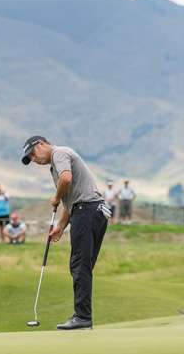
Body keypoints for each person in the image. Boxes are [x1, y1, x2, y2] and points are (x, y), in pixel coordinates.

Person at [22, 135, 110, 330]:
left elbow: (66, 179)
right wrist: (61, 226)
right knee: (83, 266)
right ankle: (83, 316)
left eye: (33, 154)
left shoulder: (58, 153)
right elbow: (71, 201)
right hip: (92, 211)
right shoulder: (56, 162)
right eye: (31, 159)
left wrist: (55, 197)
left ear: (41, 144)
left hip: (86, 211)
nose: (34, 160)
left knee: (79, 265)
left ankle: (82, 317)